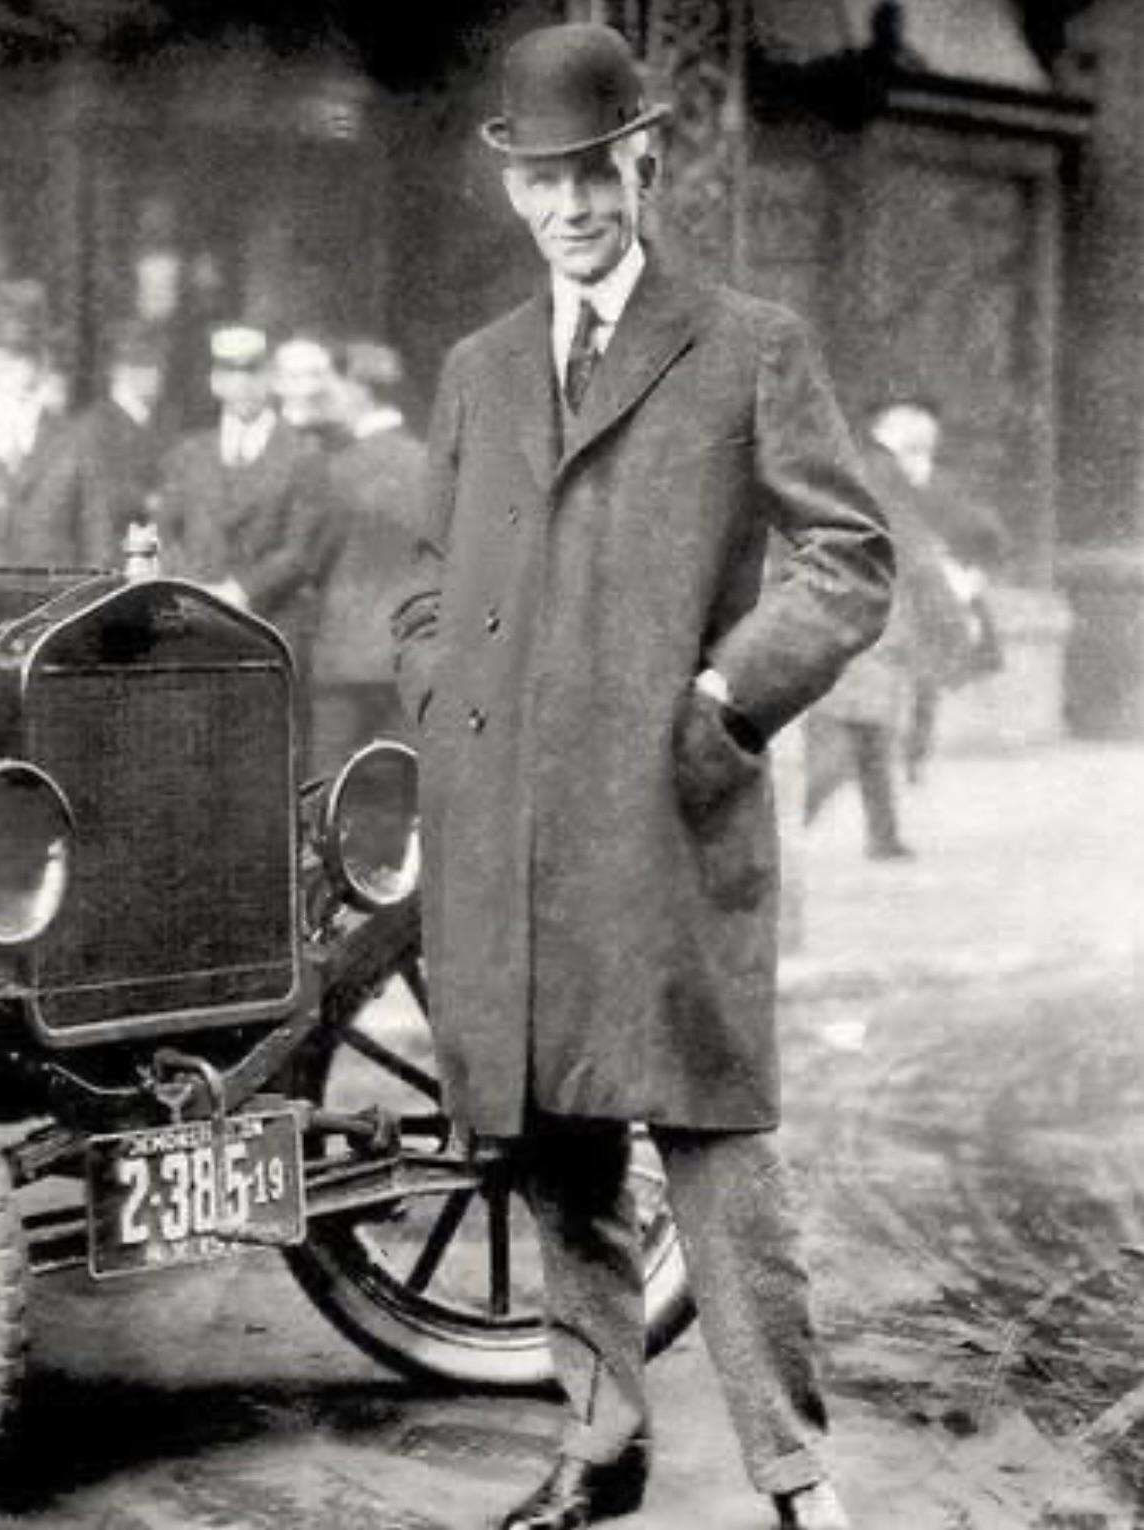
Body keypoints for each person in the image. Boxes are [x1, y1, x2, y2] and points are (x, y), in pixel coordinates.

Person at [392, 25, 893, 1530]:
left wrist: (730, 702)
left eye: (592, 174)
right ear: (513, 193)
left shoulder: (748, 343)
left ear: (644, 165)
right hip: (506, 825)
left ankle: (797, 1477)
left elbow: (849, 560)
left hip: (666, 814)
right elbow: (427, 586)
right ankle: (601, 1446)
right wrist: (445, 696)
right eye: (540, 183)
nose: (568, 208)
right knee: (555, 1154)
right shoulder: (482, 370)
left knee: (719, 1157)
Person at [804, 437, 969, 859]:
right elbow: (925, 577)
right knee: (851, 746)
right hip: (873, 640)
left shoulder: (837, 516)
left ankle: (882, 835)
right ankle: (800, 822)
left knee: (868, 743)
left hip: (850, 640)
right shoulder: (893, 523)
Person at [155, 322, 333, 703]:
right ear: (215, 382)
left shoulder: (303, 454)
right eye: (231, 375)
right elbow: (166, 533)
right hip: (192, 628)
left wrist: (239, 591)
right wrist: (193, 592)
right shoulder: (188, 454)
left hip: (267, 629)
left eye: (253, 373)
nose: (243, 387)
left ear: (270, 379)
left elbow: (300, 551)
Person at [865, 395, 1009, 783]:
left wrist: (968, 564)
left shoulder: (941, 481)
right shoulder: (881, 474)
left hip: (934, 583)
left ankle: (913, 752)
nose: (919, 448)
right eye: (912, 439)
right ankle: (885, 752)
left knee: (925, 677)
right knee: (895, 670)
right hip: (896, 581)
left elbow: (973, 525)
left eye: (925, 441)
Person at [310, 337, 424, 774]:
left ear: (359, 390)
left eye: (334, 386)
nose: (327, 396)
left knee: (328, 793)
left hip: (342, 661)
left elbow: (311, 559)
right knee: (395, 791)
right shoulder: (429, 462)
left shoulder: (336, 469)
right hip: (408, 658)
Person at [0, 281, 82, 565]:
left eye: (28, 354)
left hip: (56, 601)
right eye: (6, 352)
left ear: (44, 360)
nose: (19, 367)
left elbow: (95, 534)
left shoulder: (73, 439)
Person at [68, 319, 168, 568]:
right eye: (147, 366)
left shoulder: (160, 423)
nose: (157, 375)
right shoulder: (96, 425)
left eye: (156, 366)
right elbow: (98, 492)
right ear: (122, 371)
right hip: (110, 556)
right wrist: (150, 501)